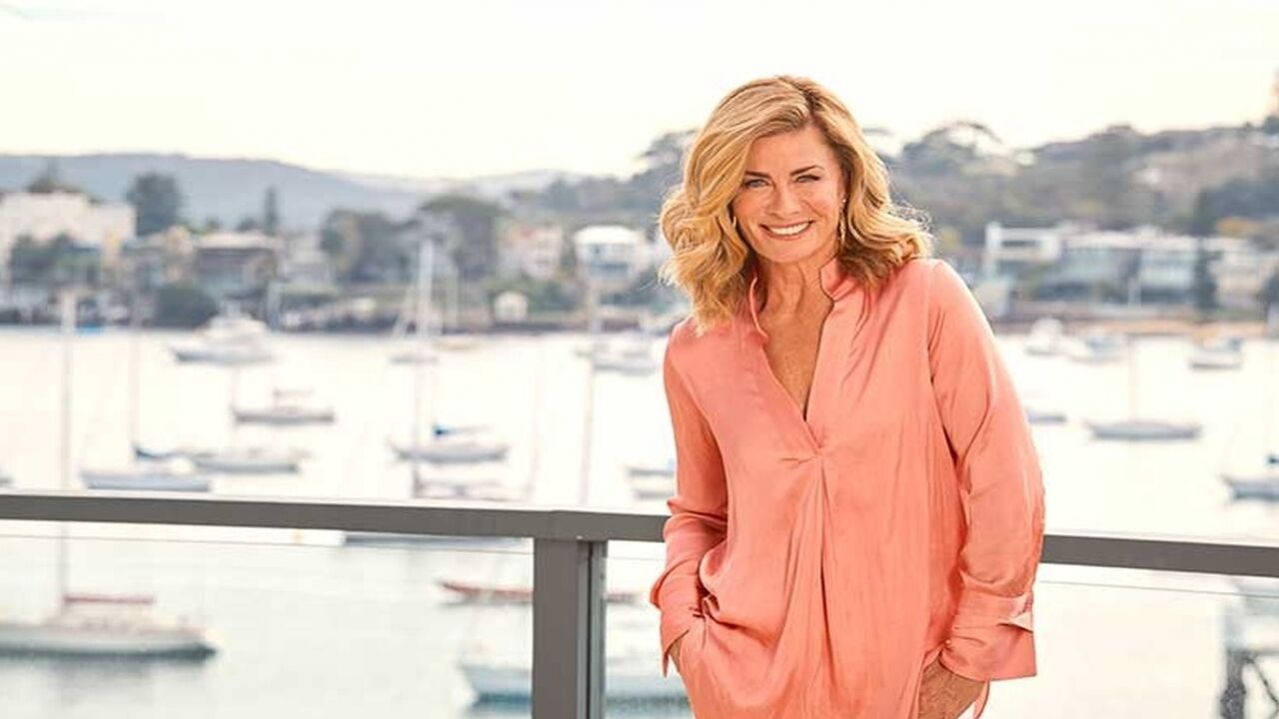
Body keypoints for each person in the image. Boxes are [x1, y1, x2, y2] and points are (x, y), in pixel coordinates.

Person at [647, 75, 1045, 719]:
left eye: (806, 177)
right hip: (741, 679)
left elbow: (1005, 483)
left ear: (845, 183)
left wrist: (970, 657)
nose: (783, 205)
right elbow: (699, 512)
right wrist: (685, 630)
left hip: (908, 673)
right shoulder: (698, 347)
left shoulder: (925, 299)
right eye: (754, 181)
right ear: (726, 197)